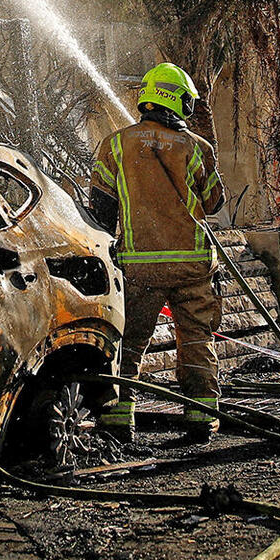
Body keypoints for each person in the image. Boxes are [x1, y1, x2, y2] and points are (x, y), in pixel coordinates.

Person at [86, 63, 225, 442]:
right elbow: (213, 203)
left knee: (128, 343)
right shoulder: (198, 148)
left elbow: (99, 211)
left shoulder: (115, 144)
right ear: (179, 101)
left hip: (138, 268)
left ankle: (118, 419)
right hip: (192, 266)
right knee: (196, 339)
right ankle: (200, 416)